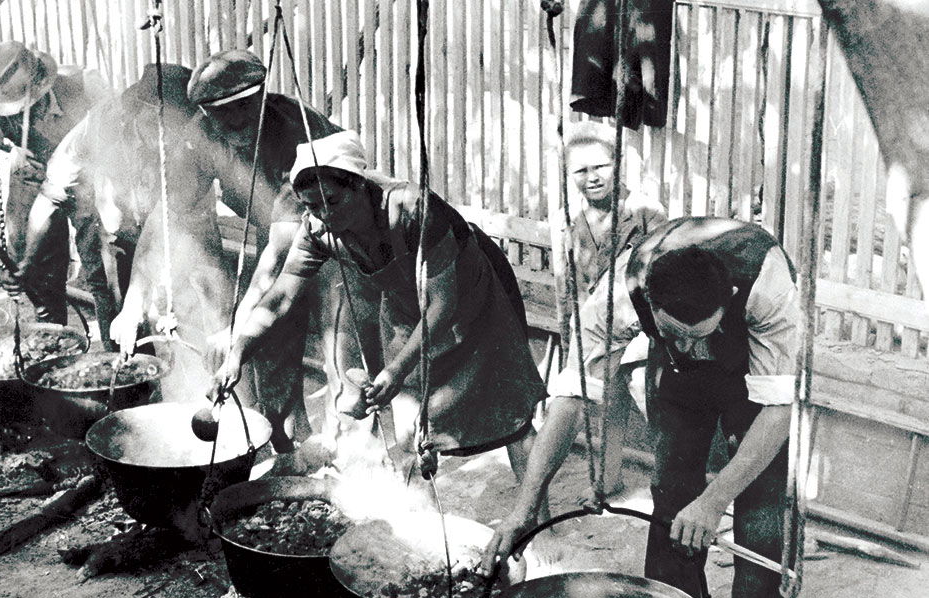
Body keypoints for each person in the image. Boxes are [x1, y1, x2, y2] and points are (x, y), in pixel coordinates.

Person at [484, 216, 799, 598]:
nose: (688, 347)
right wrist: (524, 508)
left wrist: (713, 501)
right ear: (650, 303)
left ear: (728, 299)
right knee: (671, 486)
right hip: (675, 379)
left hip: (750, 371)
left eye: (697, 334)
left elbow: (779, 411)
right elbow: (572, 397)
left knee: (758, 496)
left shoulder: (767, 284)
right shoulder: (618, 294)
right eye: (674, 332)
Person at [212, 130, 547, 479]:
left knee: (512, 416)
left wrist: (396, 369)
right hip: (407, 308)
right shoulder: (317, 231)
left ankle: (536, 520)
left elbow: (442, 304)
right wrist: (238, 352)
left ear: (358, 185)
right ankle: (417, 515)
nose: (324, 214)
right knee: (409, 429)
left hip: (474, 298)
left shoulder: (411, 208)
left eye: (333, 201)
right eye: (312, 205)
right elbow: (280, 298)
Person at [111, 49, 343, 454]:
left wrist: (238, 326)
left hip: (338, 237)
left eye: (243, 109)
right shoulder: (202, 135)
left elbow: (280, 256)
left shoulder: (295, 133)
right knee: (270, 344)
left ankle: (351, 455)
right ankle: (289, 442)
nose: (232, 123)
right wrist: (133, 302)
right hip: (273, 230)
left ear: (261, 97)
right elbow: (168, 214)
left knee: (341, 350)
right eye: (220, 114)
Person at [22, 64, 195, 349]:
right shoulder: (102, 125)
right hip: (108, 225)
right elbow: (52, 192)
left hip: (162, 224)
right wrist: (28, 258)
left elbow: (175, 223)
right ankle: (124, 380)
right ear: (141, 111)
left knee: (173, 306)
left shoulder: (187, 142)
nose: (168, 137)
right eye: (161, 126)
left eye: (177, 127)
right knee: (113, 301)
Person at [0, 41, 110, 323]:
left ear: (42, 89)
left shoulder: (86, 85)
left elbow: (121, 149)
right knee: (32, 270)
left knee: (105, 275)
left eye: (25, 110)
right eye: (10, 115)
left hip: (90, 180)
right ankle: (52, 344)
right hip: (32, 177)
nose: (20, 122)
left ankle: (120, 354)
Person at [555, 122, 666, 501]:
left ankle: (680, 473)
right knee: (606, 401)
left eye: (600, 166)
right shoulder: (568, 221)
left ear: (617, 162)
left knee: (644, 391)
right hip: (599, 328)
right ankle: (609, 477)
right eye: (580, 171)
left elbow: (663, 273)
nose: (592, 177)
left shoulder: (646, 211)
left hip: (645, 324)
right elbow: (570, 285)